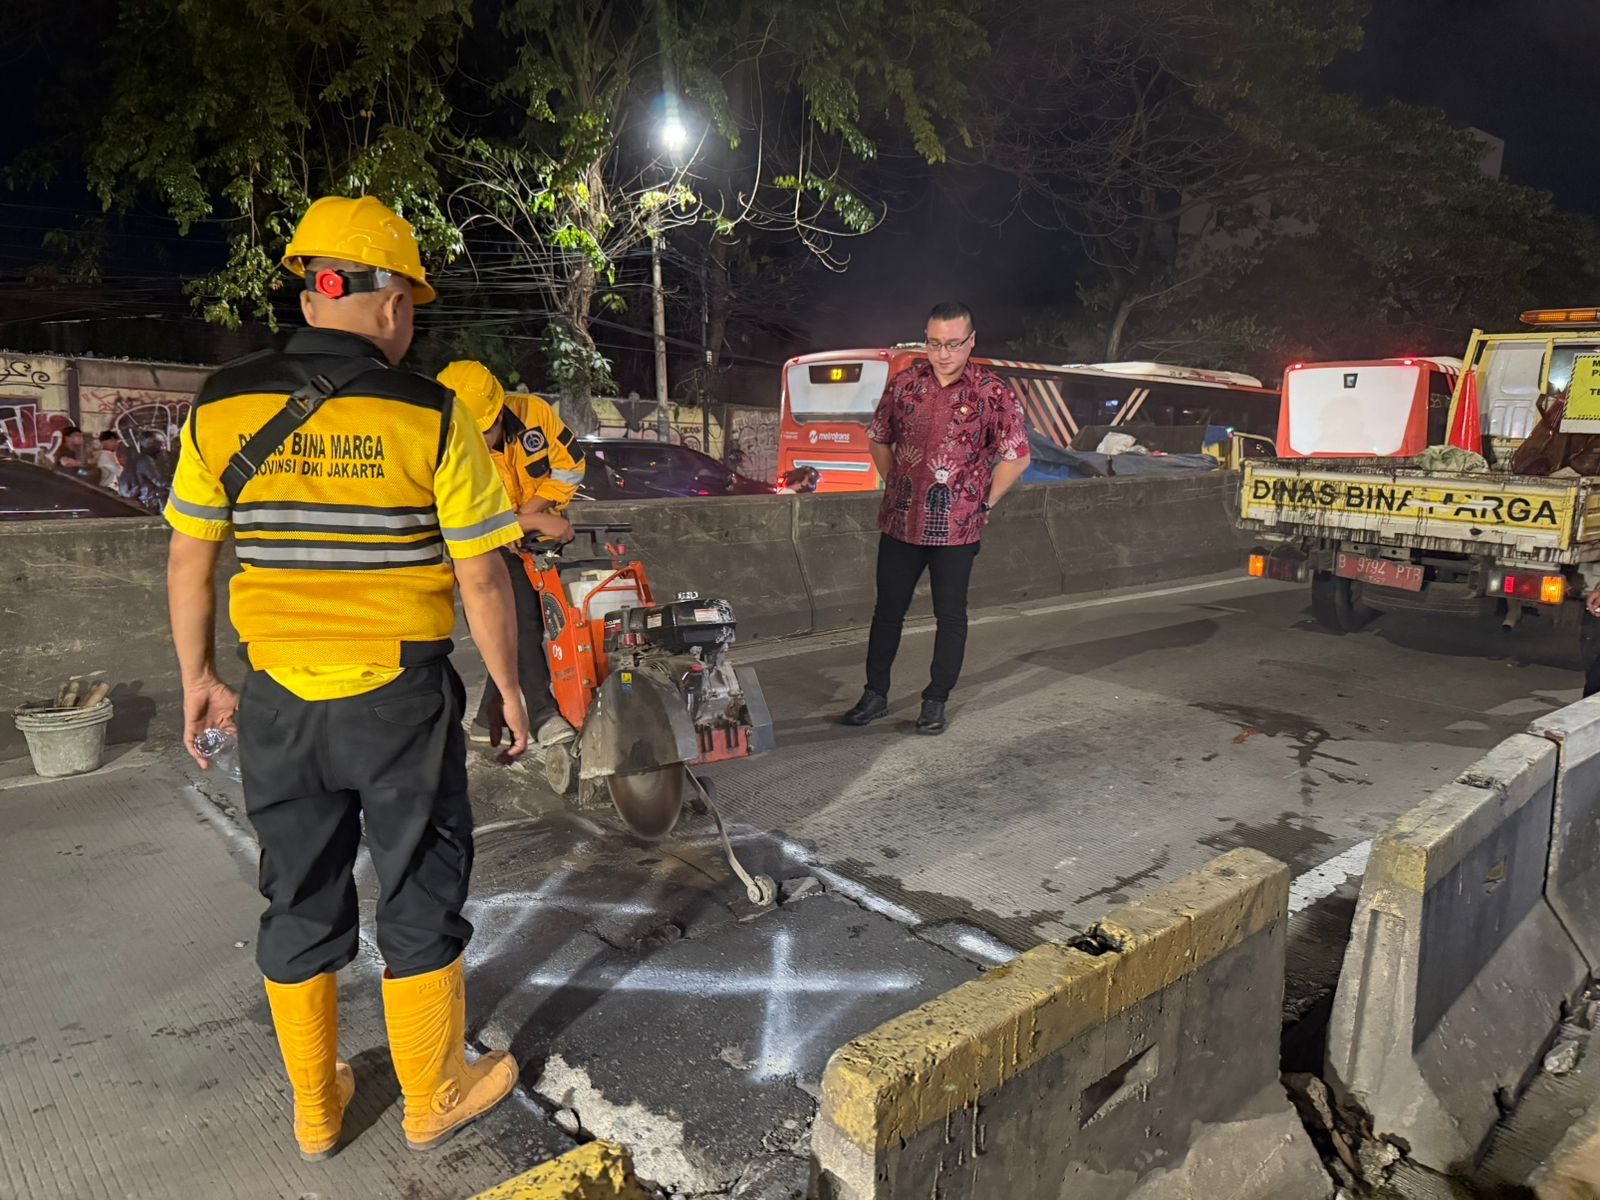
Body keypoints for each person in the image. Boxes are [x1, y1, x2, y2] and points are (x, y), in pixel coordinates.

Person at [163, 195, 530, 1162]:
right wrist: (510, 687)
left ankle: (318, 1109)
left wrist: (199, 677)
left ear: (314, 292)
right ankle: (432, 1092)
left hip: (276, 696)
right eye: (410, 299)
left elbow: (190, 560)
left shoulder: (221, 403)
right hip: (398, 700)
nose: (411, 318)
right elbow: (484, 574)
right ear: (384, 302)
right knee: (417, 881)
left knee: (299, 891)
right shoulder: (432, 413)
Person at [840, 301, 1031, 735]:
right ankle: (874, 695)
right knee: (887, 612)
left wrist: (983, 503)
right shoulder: (905, 384)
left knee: (950, 615)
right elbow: (879, 439)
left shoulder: (992, 392)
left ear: (971, 341)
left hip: (957, 529)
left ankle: (935, 700)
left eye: (952, 344)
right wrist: (897, 486)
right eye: (934, 343)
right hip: (900, 524)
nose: (943, 353)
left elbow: (1017, 457)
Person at [436, 360, 585, 750]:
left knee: (525, 626)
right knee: (520, 624)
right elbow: (470, 518)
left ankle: (490, 719)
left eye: (483, 429)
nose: (479, 439)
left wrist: (534, 514)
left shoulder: (533, 413)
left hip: (536, 539)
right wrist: (529, 523)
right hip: (487, 547)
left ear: (499, 409)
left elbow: (570, 467)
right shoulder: (447, 445)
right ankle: (542, 713)